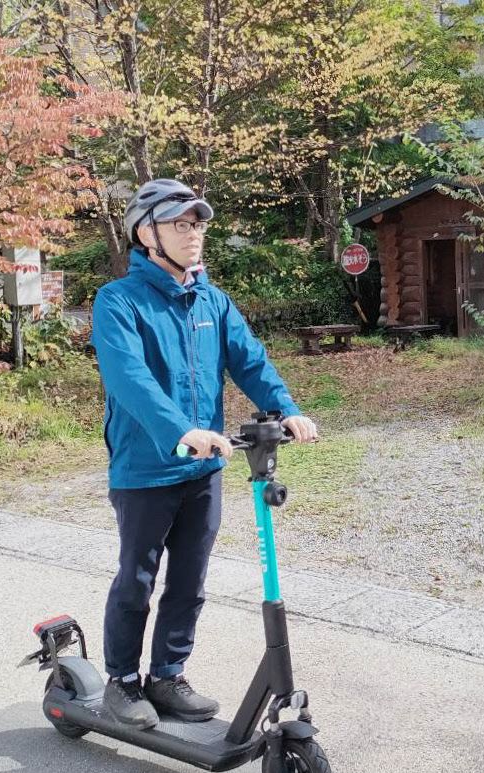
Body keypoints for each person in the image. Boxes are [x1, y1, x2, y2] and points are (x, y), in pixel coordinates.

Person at [91, 178, 318, 729]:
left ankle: (167, 675)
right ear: (147, 233)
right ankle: (122, 681)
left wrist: (283, 407)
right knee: (137, 580)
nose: (193, 236)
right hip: (145, 468)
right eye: (179, 225)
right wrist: (181, 429)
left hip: (204, 468)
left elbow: (250, 361)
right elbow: (130, 378)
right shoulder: (119, 301)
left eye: (197, 226)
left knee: (190, 578)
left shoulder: (212, 302)